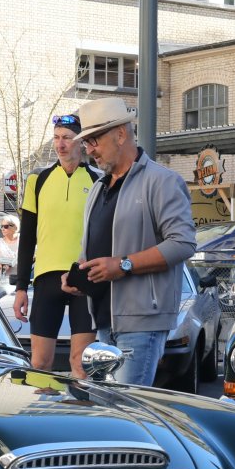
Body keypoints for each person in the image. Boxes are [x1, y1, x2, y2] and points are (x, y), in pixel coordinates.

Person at [69, 96, 196, 386]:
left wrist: (123, 265)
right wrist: (80, 274)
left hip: (142, 322)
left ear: (120, 134)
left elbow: (183, 243)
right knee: (112, 408)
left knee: (126, 408)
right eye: (86, 143)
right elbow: (96, 249)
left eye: (93, 141)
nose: (89, 150)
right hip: (104, 322)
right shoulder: (98, 187)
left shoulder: (162, 181)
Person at [13, 114, 99, 376]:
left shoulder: (98, 180)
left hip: (83, 277)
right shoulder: (38, 180)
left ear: (81, 142)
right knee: (39, 364)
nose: (60, 144)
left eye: (67, 138)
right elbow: (27, 237)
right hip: (46, 278)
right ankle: (44, 404)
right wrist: (20, 287)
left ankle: (80, 403)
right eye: (56, 138)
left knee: (81, 364)